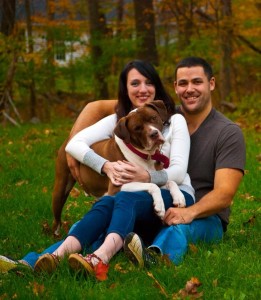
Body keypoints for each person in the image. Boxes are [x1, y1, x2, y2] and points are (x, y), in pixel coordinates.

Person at [0, 60, 195, 275]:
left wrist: (147, 177)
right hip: (134, 196)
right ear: (125, 89)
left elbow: (178, 171)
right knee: (105, 205)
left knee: (118, 200)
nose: (142, 89)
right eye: (134, 84)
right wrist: (105, 166)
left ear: (157, 85)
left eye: (148, 82)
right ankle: (36, 262)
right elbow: (74, 144)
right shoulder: (119, 121)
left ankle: (99, 258)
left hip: (166, 192)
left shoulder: (175, 121)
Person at [123, 56, 246, 265]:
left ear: (212, 84)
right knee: (114, 213)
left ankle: (155, 258)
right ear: (175, 87)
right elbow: (117, 107)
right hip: (162, 202)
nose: (190, 89)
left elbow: (224, 194)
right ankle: (74, 253)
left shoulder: (228, 133)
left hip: (205, 216)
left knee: (177, 229)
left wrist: (189, 212)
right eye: (183, 83)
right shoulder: (160, 120)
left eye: (197, 82)